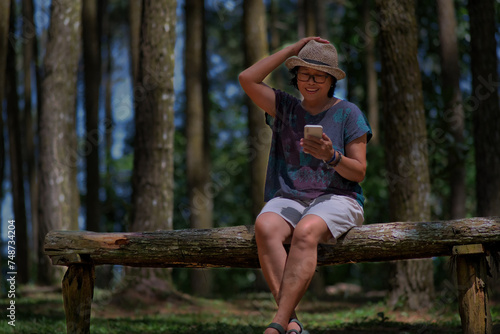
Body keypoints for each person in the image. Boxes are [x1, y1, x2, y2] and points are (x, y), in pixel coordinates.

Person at [238, 37, 372, 334]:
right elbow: (246, 78)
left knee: (306, 230)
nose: (311, 81)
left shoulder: (349, 113)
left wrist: (332, 156)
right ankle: (293, 322)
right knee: (265, 227)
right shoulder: (284, 108)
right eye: (304, 73)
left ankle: (277, 323)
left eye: (319, 76)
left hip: (339, 197)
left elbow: (359, 172)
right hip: (289, 197)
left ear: (331, 80)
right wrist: (291, 50)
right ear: (296, 75)